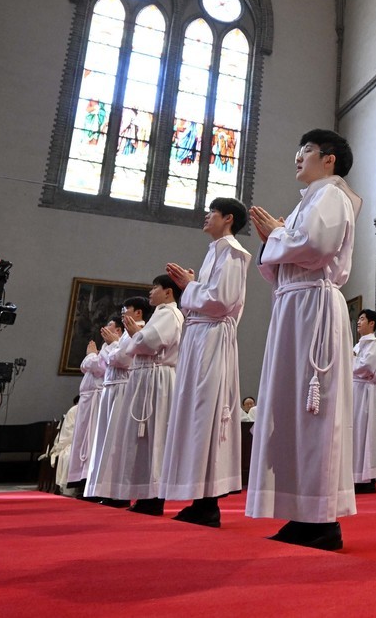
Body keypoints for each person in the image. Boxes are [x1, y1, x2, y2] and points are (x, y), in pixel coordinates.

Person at [246, 130, 361, 550]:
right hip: (292, 306)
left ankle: (321, 519)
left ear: (329, 159)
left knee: (315, 412)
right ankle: (300, 512)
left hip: (314, 305)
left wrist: (277, 236)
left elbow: (316, 245)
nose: (298, 157)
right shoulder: (306, 203)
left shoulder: (332, 196)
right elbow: (278, 266)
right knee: (289, 410)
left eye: (307, 150)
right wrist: (276, 237)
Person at [161, 197, 252, 527]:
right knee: (194, 414)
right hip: (200, 337)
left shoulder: (233, 252)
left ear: (228, 218)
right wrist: (192, 286)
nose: (206, 216)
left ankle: (208, 501)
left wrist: (189, 286)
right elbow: (204, 299)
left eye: (212, 212)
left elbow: (220, 301)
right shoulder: (216, 250)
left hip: (213, 339)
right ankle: (199, 497)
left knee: (207, 415)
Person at [103, 276, 185, 515]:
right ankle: (142, 494)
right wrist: (134, 339)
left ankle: (154, 497)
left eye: (155, 288)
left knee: (154, 436)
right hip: (145, 377)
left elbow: (148, 343)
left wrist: (134, 335)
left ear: (168, 292)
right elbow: (132, 347)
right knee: (141, 439)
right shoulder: (159, 313)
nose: (150, 292)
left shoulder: (170, 313)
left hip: (157, 379)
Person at [86, 311, 134, 506]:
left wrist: (109, 347)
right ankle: (102, 488)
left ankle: (116, 491)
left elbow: (120, 360)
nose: (105, 330)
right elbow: (88, 364)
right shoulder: (115, 342)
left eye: (111, 326)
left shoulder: (129, 336)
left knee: (116, 442)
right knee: (105, 442)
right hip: (110, 391)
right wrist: (98, 354)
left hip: (122, 390)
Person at [351, 308, 376, 495]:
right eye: (358, 319)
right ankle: (355, 475)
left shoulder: (375, 343)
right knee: (355, 433)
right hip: (354, 391)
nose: (358, 322)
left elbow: (366, 366)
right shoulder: (357, 346)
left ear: (372, 323)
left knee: (365, 432)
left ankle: (366, 478)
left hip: (366, 392)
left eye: (362, 319)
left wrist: (350, 361)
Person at [67, 338, 106, 490]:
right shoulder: (106, 348)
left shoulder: (116, 345)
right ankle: (81, 480)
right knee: (83, 439)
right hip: (88, 400)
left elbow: (99, 367)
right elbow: (85, 367)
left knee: (93, 440)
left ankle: (89, 482)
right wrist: (92, 357)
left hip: (98, 401)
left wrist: (91, 356)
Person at [46, 396, 78, 494]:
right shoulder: (74, 411)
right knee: (69, 455)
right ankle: (70, 488)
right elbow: (68, 432)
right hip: (73, 441)